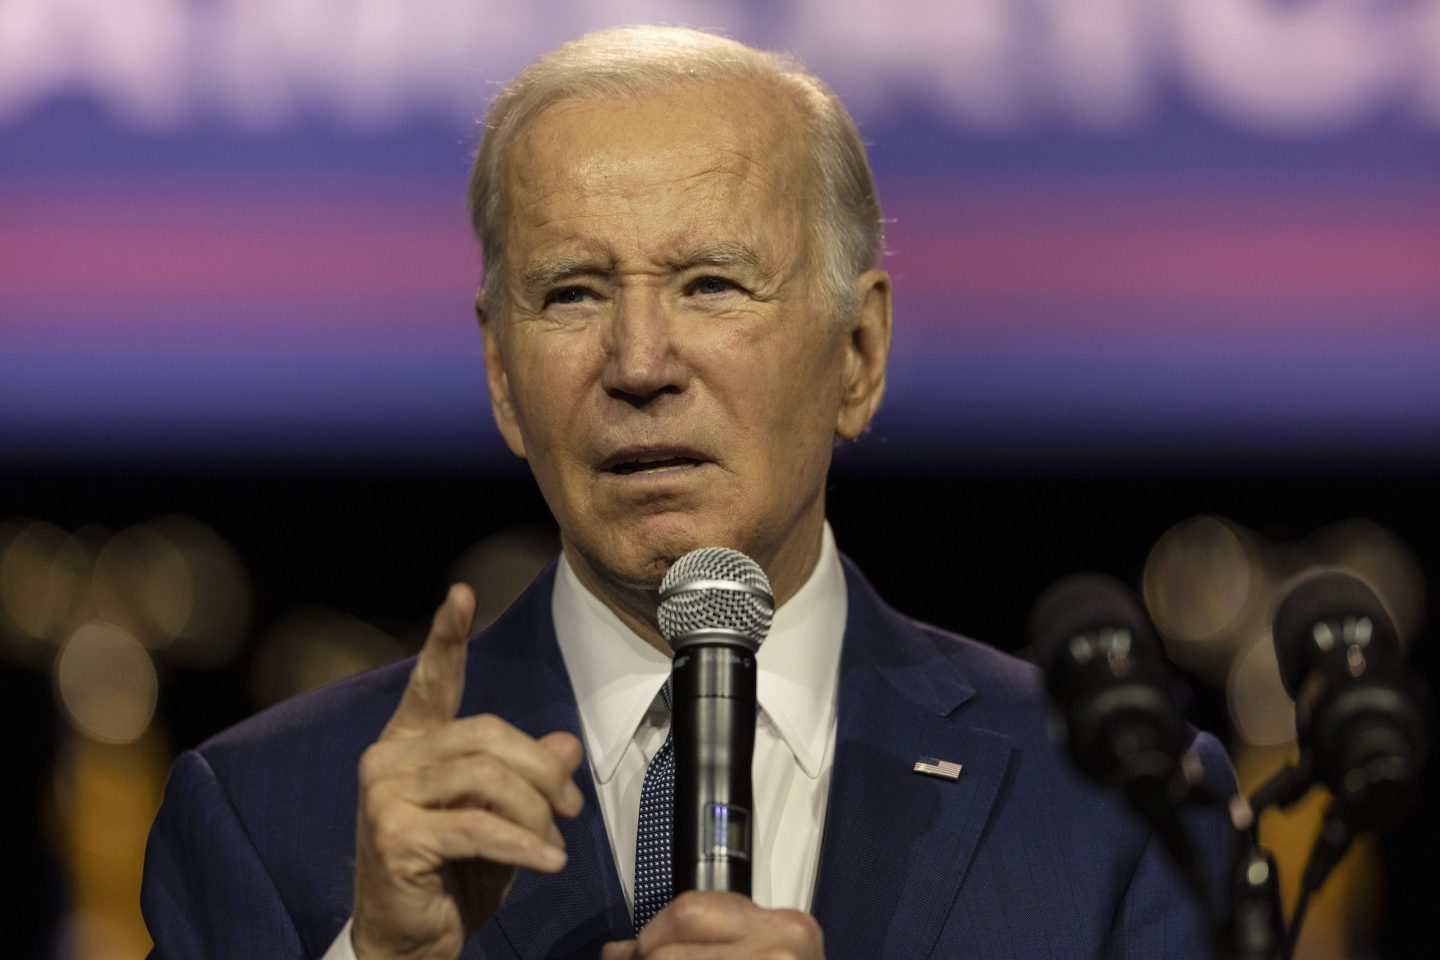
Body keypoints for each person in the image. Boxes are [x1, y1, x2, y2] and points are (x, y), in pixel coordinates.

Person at [141, 25, 1235, 960]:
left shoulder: (1116, 802)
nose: (639, 363)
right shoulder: (267, 816)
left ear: (857, 353)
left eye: (710, 284)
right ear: (500, 377)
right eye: (572, 294)